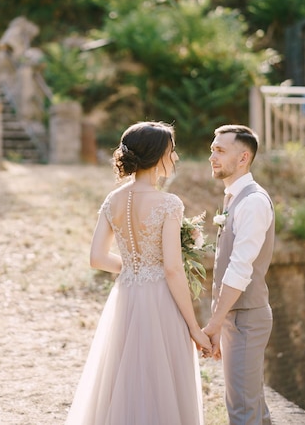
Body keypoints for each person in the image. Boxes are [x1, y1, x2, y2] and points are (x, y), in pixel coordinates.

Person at [65, 121, 212, 425]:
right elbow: (172, 269)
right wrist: (195, 328)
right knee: (160, 380)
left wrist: (135, 268)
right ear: (157, 155)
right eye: (172, 152)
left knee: (124, 375)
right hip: (160, 301)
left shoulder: (113, 200)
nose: (176, 158)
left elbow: (97, 258)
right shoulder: (169, 203)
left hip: (126, 295)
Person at [203, 124, 275, 425]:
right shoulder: (234, 196)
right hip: (237, 317)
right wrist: (221, 324)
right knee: (252, 406)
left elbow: (239, 269)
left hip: (246, 318)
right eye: (212, 150)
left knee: (243, 411)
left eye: (220, 151)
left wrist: (214, 322)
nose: (212, 157)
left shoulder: (253, 202)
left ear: (243, 158)